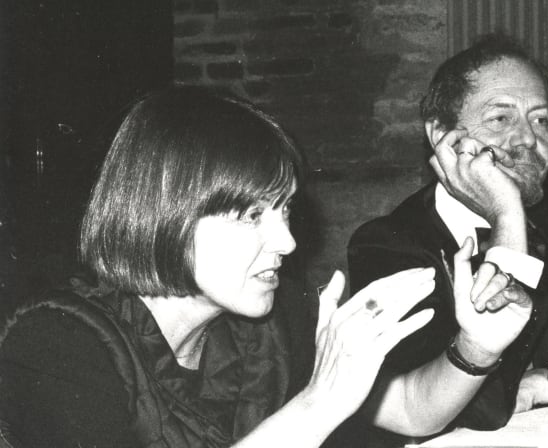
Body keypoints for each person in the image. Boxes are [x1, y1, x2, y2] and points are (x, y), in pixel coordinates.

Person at [0, 86, 450, 447]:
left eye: (285, 209)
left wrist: (477, 350)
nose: (289, 241)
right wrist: (318, 404)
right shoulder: (58, 346)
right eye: (251, 215)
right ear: (165, 213)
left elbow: (410, 409)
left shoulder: (274, 318)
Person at [345, 34, 548, 445]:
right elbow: (473, 408)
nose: (528, 139)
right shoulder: (389, 245)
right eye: (501, 119)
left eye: (541, 119)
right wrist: (506, 212)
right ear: (440, 136)